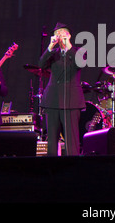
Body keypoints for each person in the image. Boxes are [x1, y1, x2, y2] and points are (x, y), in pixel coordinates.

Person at [39, 22, 86, 156]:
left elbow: (80, 64)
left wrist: (68, 46)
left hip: (71, 101)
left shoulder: (78, 51)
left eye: (62, 33)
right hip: (52, 100)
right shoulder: (53, 54)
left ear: (69, 35)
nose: (59, 36)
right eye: (56, 34)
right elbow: (41, 65)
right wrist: (50, 47)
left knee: (71, 140)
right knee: (52, 140)